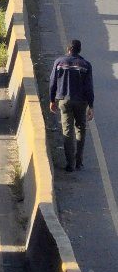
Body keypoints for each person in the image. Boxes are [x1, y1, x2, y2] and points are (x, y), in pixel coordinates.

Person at [49, 39, 95, 172]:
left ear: (68, 49)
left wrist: (52, 100)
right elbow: (89, 88)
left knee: (67, 130)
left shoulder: (59, 62)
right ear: (79, 50)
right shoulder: (86, 65)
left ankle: (70, 163)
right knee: (80, 128)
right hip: (81, 102)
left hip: (64, 100)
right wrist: (91, 106)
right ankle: (79, 161)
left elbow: (52, 83)